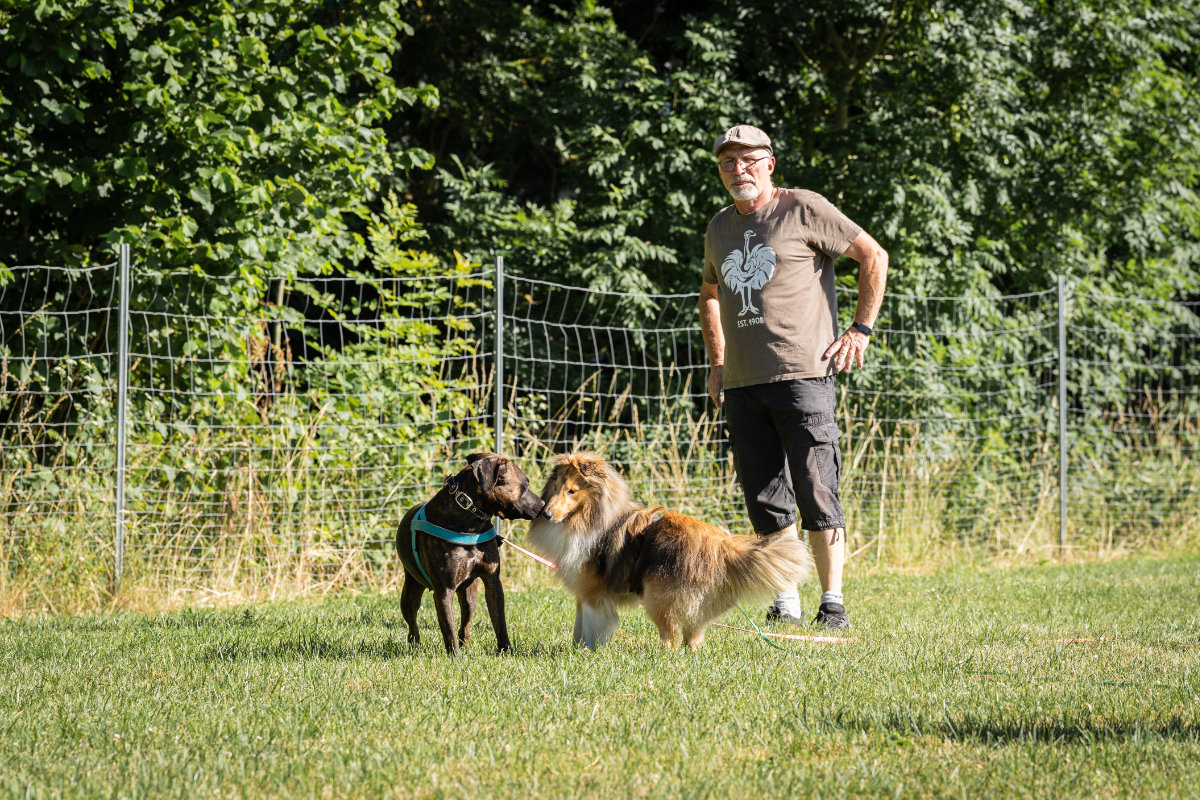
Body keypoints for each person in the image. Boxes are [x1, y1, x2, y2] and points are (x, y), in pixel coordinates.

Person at [699, 124, 888, 630]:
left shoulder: (803, 207)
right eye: (728, 162)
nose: (738, 170)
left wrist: (860, 329)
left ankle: (832, 601)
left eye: (748, 160)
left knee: (816, 487)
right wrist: (718, 363)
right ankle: (786, 599)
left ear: (769, 164)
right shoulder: (718, 227)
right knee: (765, 496)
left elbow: (873, 255)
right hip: (742, 383)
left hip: (803, 375)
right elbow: (711, 292)